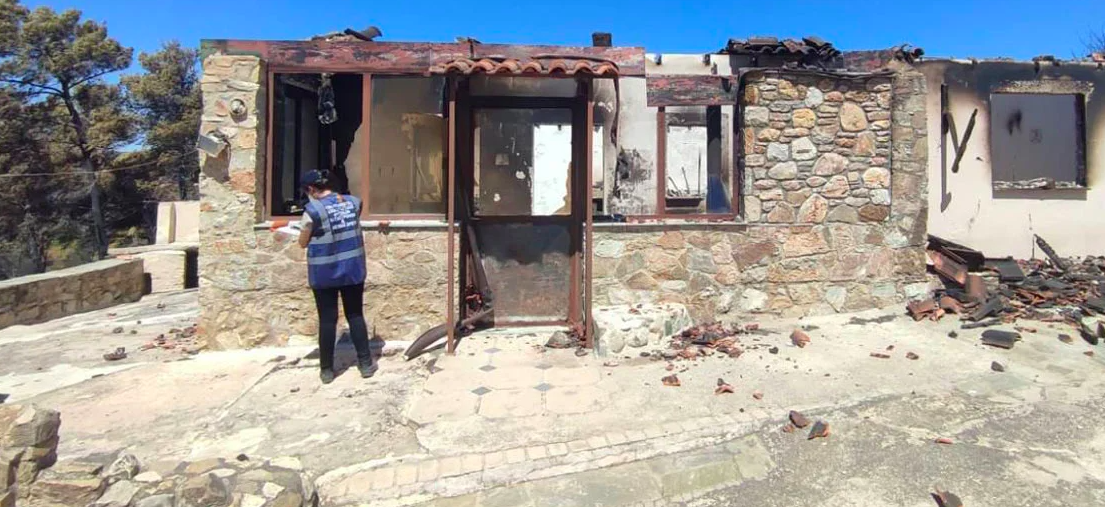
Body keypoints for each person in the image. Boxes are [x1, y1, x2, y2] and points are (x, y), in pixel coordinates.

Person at [296, 169, 376, 384]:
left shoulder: (312, 211)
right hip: (352, 269)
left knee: (327, 319)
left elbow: (303, 241)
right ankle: (365, 363)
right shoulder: (353, 203)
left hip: (324, 273)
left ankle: (327, 370)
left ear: (311, 189)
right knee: (355, 315)